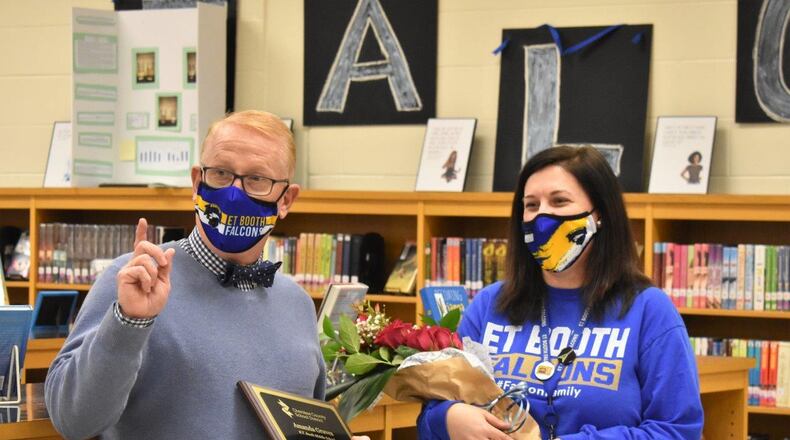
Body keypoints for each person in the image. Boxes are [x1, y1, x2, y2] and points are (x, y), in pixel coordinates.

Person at [45, 111, 368, 439]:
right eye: (221, 173)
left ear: (286, 200)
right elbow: (73, 420)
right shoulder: (136, 280)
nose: (234, 193)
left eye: (257, 179)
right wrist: (128, 321)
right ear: (197, 181)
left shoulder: (296, 304)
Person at [417, 146, 703, 439]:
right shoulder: (490, 305)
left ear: (600, 214)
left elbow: (677, 430)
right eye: (531, 205)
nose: (542, 215)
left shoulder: (649, 310)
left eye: (559, 201)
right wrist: (447, 418)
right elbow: (432, 413)